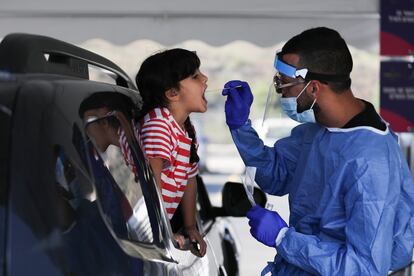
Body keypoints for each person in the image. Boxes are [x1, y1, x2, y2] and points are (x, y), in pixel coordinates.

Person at [222, 27, 414, 275]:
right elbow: (277, 175)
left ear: (313, 88)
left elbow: (364, 268)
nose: (279, 91)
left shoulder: (370, 160)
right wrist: (240, 127)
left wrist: (283, 238)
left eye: (284, 83)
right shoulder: (318, 132)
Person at [135, 48, 208, 257]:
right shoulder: (158, 125)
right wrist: (163, 230)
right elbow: (151, 183)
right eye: (195, 76)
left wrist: (190, 227)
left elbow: (189, 179)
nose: (205, 79)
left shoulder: (184, 129)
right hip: (145, 232)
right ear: (172, 93)